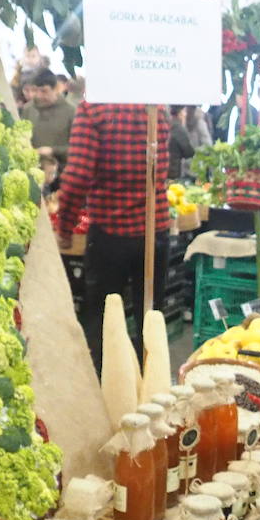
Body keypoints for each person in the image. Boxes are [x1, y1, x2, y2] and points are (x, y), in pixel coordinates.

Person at [56, 103, 171, 372]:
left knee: (104, 319)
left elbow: (76, 176)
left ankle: (105, 390)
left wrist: (65, 226)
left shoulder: (94, 110)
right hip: (155, 230)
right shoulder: (156, 107)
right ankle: (153, 386)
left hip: (110, 233)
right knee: (152, 317)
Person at [19, 71, 76, 166]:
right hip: (33, 169)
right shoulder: (28, 109)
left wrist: (53, 151)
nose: (38, 95)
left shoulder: (71, 111)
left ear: (56, 89)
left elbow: (78, 148)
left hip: (62, 171)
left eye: (44, 91)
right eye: (35, 90)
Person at [167, 105, 196, 180]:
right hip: (173, 171)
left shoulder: (167, 124)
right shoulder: (178, 128)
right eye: (184, 111)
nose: (185, 114)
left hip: (165, 168)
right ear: (180, 113)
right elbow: (188, 152)